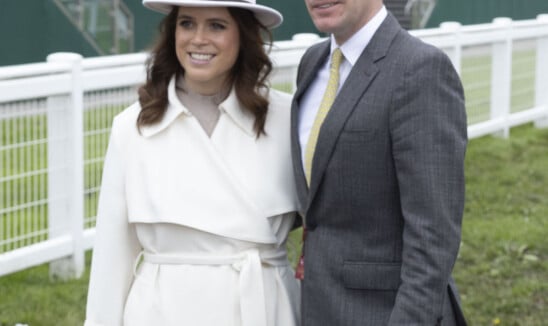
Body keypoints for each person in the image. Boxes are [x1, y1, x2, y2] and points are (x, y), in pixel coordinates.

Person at [84, 1, 300, 325]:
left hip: (263, 308)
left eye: (216, 25)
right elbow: (111, 262)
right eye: (186, 23)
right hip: (162, 313)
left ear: (244, 35)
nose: (198, 39)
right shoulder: (132, 128)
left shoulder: (287, 119)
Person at [291, 0, 468, 325]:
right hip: (317, 306)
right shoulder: (312, 63)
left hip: (386, 312)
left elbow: (433, 236)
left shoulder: (421, 68)